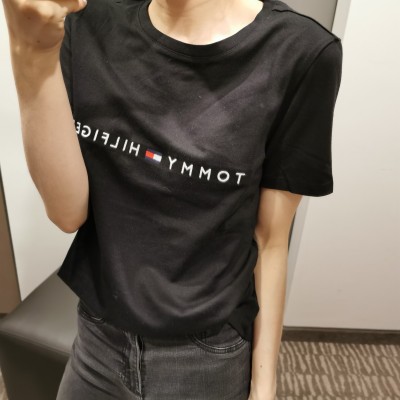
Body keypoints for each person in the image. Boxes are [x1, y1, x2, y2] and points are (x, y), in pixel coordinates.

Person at [2, 0, 343, 398]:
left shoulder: (298, 52)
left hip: (204, 357)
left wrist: (264, 387)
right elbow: (67, 213)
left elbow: (271, 240)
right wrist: (34, 56)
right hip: (98, 339)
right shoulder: (90, 20)